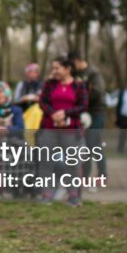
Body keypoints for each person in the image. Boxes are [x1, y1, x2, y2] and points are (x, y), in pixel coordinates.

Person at [38, 57, 89, 206]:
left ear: (68, 69)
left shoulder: (79, 86)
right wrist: (53, 113)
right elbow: (42, 102)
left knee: (72, 163)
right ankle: (46, 194)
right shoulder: (49, 84)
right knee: (46, 161)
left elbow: (83, 105)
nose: (54, 71)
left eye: (57, 68)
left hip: (71, 130)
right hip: (49, 128)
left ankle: (73, 195)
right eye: (52, 68)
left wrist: (65, 113)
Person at [68, 51, 107, 181]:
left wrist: (82, 100)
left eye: (72, 64)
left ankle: (102, 174)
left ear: (77, 60)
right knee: (84, 145)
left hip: (96, 113)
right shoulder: (75, 74)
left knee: (94, 143)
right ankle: (85, 174)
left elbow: (97, 92)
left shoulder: (93, 73)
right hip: (82, 113)